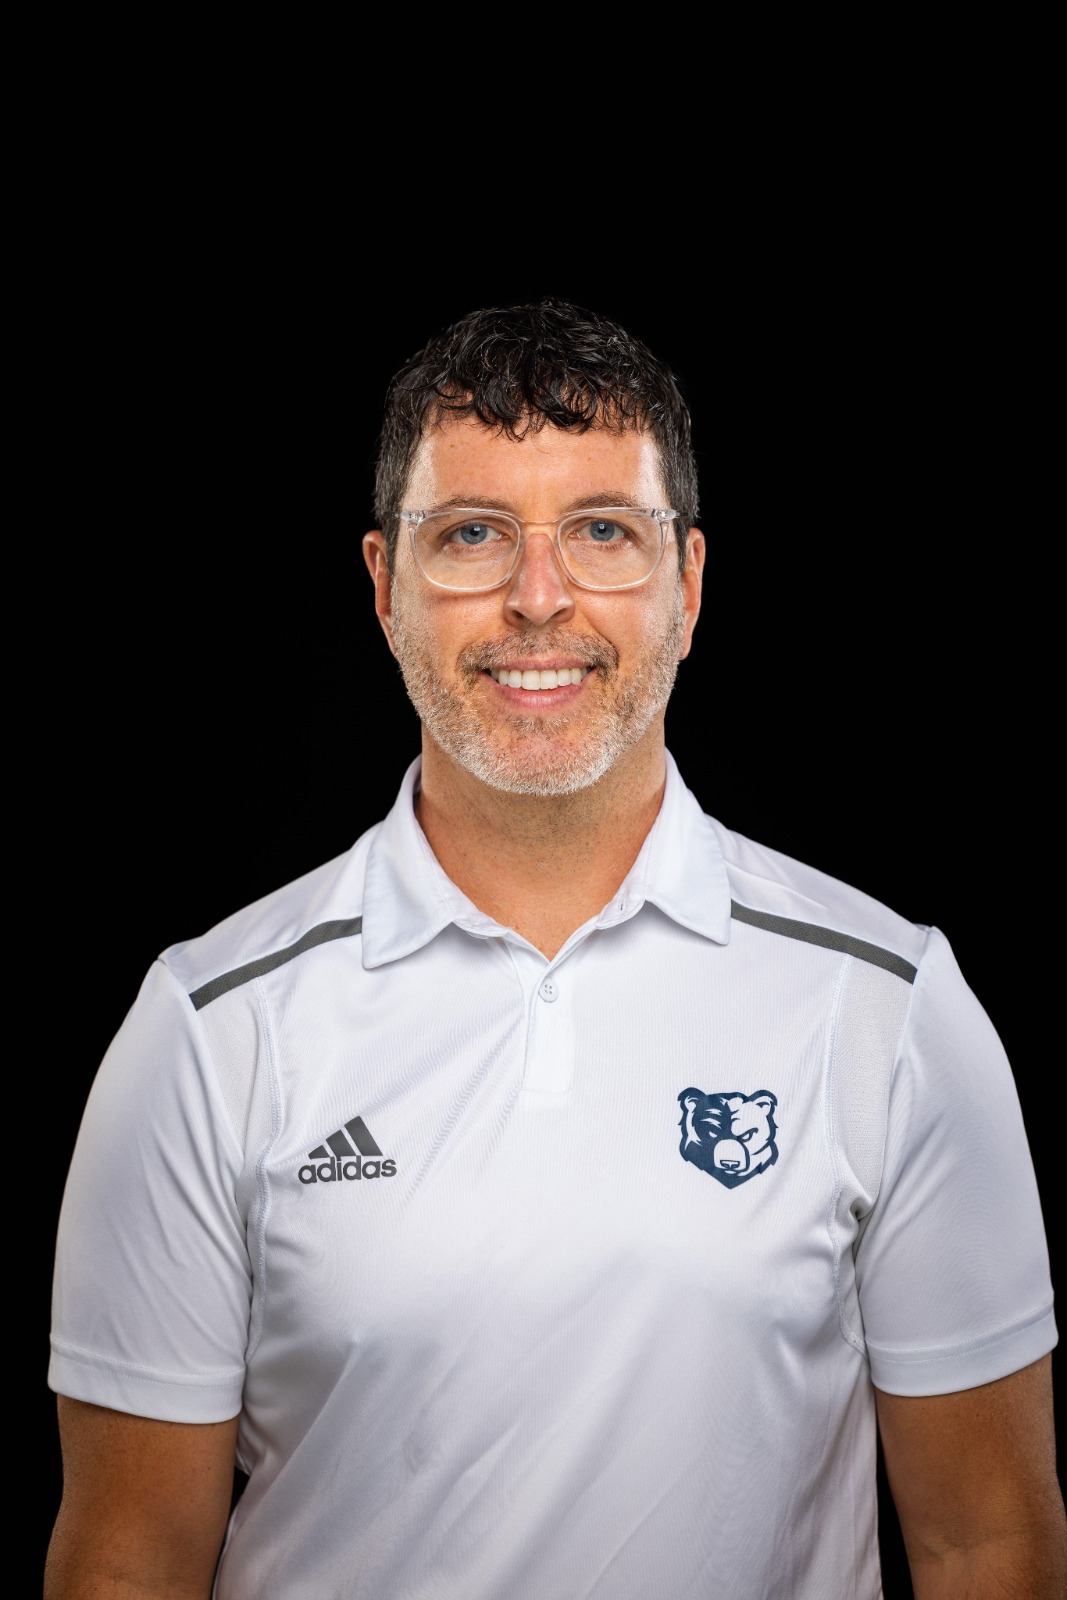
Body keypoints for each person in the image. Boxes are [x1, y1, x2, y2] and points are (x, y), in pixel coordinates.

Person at [46, 298, 1064, 1599]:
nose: (539, 598)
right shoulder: (209, 1029)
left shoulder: (889, 1009)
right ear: (383, 585)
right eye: (472, 535)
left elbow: (993, 1547)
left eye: (601, 532)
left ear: (689, 588)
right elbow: (126, 1566)